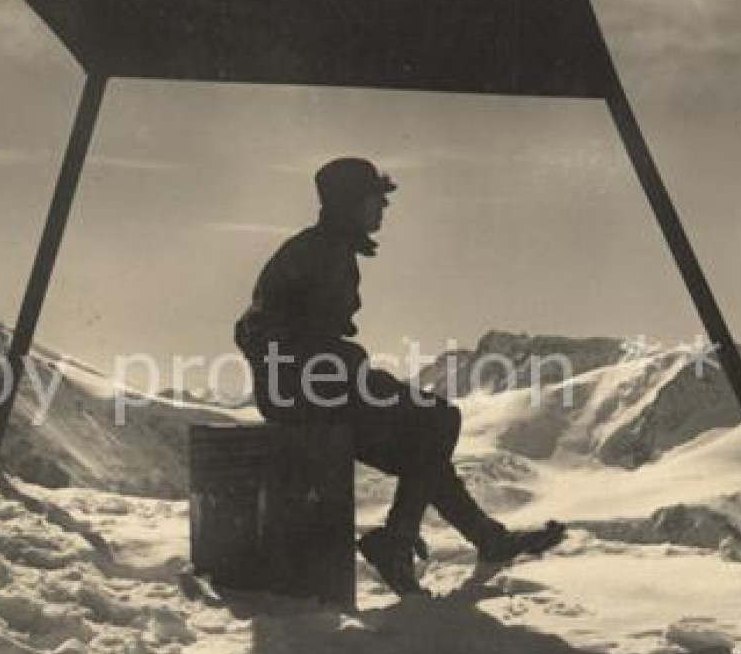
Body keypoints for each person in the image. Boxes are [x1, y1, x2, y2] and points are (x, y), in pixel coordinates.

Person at [234, 157, 565, 597]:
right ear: (351, 203)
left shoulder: (325, 249)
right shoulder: (320, 253)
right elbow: (256, 330)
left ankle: (479, 539)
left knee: (423, 446)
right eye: (377, 199)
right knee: (438, 420)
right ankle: (402, 542)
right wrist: (325, 368)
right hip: (309, 391)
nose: (383, 209)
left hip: (310, 385)